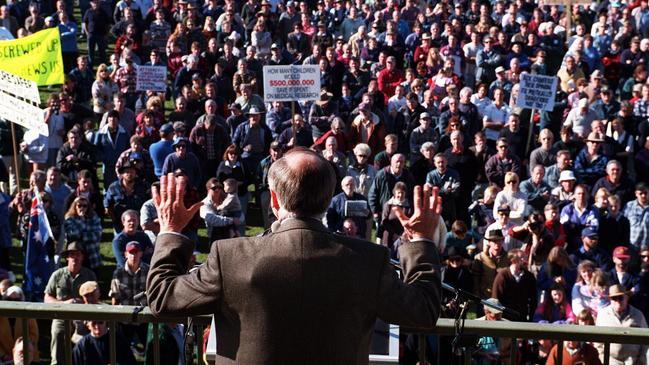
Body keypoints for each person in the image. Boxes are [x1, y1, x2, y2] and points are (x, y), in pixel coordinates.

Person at [147, 148, 443, 364]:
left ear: (274, 199)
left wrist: (171, 231)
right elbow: (424, 311)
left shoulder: (231, 256)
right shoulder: (368, 259)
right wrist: (421, 241)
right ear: (329, 200)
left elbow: (162, 297)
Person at [44, 241, 96, 365]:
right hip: (61, 317)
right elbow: (47, 298)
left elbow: (96, 298)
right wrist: (64, 304)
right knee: (57, 335)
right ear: (67, 257)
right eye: (72, 254)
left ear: (83, 257)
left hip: (84, 318)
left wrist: (84, 303)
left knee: (86, 352)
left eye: (78, 254)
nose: (75, 257)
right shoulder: (57, 275)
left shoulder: (89, 275)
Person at [594, 284, 649, 364]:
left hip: (634, 360)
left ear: (627, 298)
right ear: (610, 300)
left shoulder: (638, 314)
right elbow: (597, 341)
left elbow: (646, 340)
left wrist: (642, 359)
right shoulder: (602, 315)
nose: (618, 301)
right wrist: (603, 358)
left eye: (620, 298)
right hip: (611, 360)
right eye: (614, 298)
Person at [492, 248, 538, 321]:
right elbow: (495, 299)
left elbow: (533, 300)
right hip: (505, 319)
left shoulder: (529, 277)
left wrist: (530, 318)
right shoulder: (502, 276)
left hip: (522, 319)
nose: (525, 260)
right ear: (513, 260)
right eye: (521, 258)